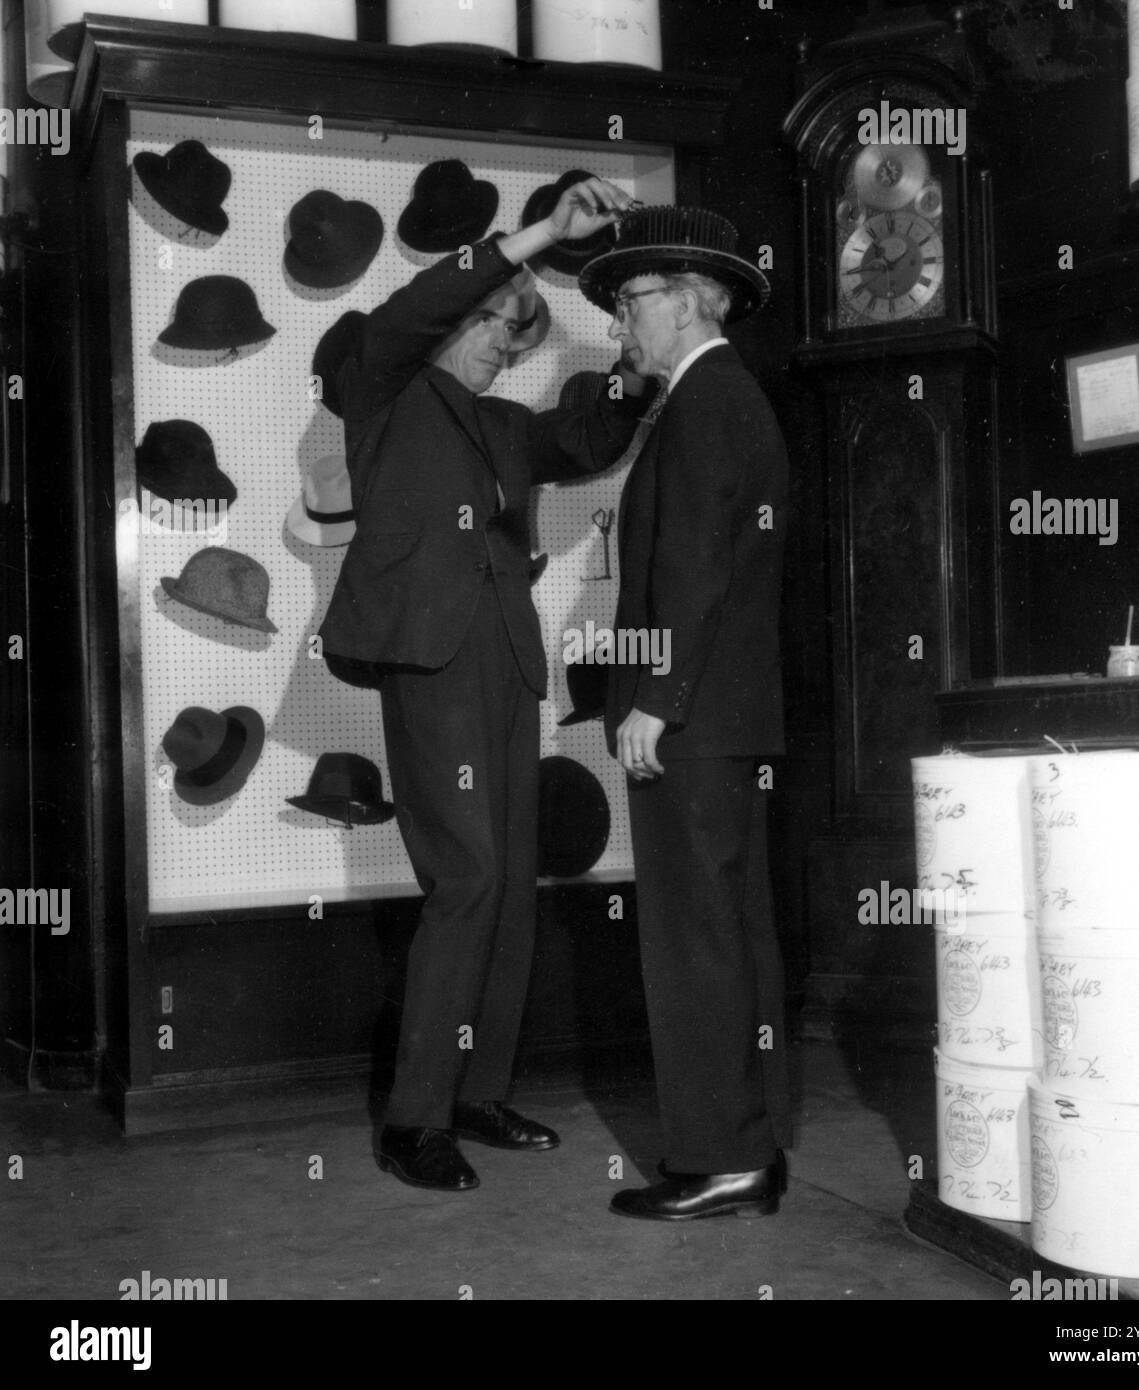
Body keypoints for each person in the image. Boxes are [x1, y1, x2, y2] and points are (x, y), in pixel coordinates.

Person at [320, 176, 650, 1192]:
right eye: (495, 317)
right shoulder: (380, 383)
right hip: (430, 660)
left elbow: (582, 439)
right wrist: (542, 234)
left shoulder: (505, 426)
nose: (502, 339)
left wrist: (635, 376)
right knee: (466, 878)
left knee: (508, 885)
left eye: (514, 329)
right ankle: (412, 1119)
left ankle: (477, 1092)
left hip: (507, 661)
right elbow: (410, 309)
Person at [578, 206, 794, 1220]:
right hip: (719, 717)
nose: (621, 323)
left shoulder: (707, 400)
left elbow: (697, 569)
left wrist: (653, 701)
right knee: (728, 930)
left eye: (632, 300)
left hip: (693, 718)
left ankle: (718, 1157)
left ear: (690, 297)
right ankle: (745, 1146)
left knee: (694, 939)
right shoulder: (709, 398)